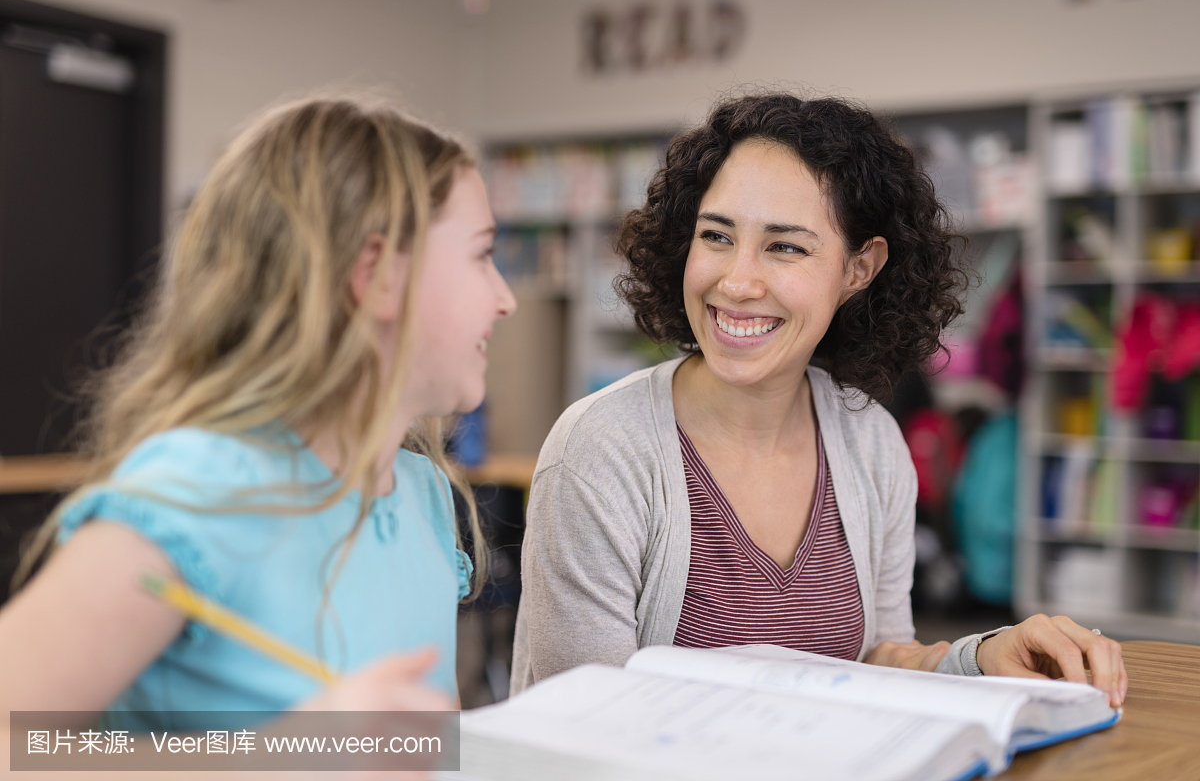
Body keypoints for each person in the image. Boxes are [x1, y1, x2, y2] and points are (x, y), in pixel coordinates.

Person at [511, 93, 1127, 706]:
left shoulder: (870, 443)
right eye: (717, 235)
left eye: (785, 246)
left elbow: (878, 658)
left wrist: (983, 656)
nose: (737, 281)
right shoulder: (602, 452)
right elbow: (585, 726)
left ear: (859, 270)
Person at [0, 96, 516, 734]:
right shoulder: (198, 491)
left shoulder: (425, 496)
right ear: (378, 273)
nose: (506, 299)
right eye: (481, 255)